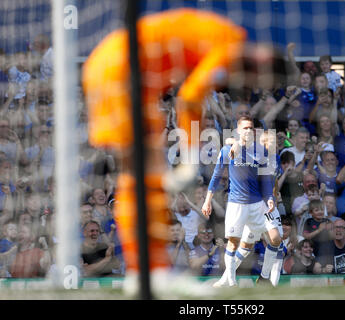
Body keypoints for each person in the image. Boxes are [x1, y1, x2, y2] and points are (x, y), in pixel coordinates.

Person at [82, 8, 289, 277]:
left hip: (125, 72)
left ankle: (149, 272)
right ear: (262, 63)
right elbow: (189, 99)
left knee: (144, 178)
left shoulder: (226, 40)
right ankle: (145, 273)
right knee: (140, 177)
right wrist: (191, 160)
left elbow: (190, 98)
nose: (247, 84)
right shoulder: (230, 48)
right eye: (257, 80)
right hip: (117, 71)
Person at [202, 116, 282, 287]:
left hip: (260, 205)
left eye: (250, 128)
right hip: (238, 203)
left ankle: (266, 278)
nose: (248, 130)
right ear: (238, 130)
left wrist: (270, 198)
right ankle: (229, 280)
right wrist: (207, 200)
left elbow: (267, 179)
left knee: (275, 239)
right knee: (239, 243)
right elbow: (216, 176)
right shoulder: (229, 149)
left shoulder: (264, 153)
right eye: (244, 128)